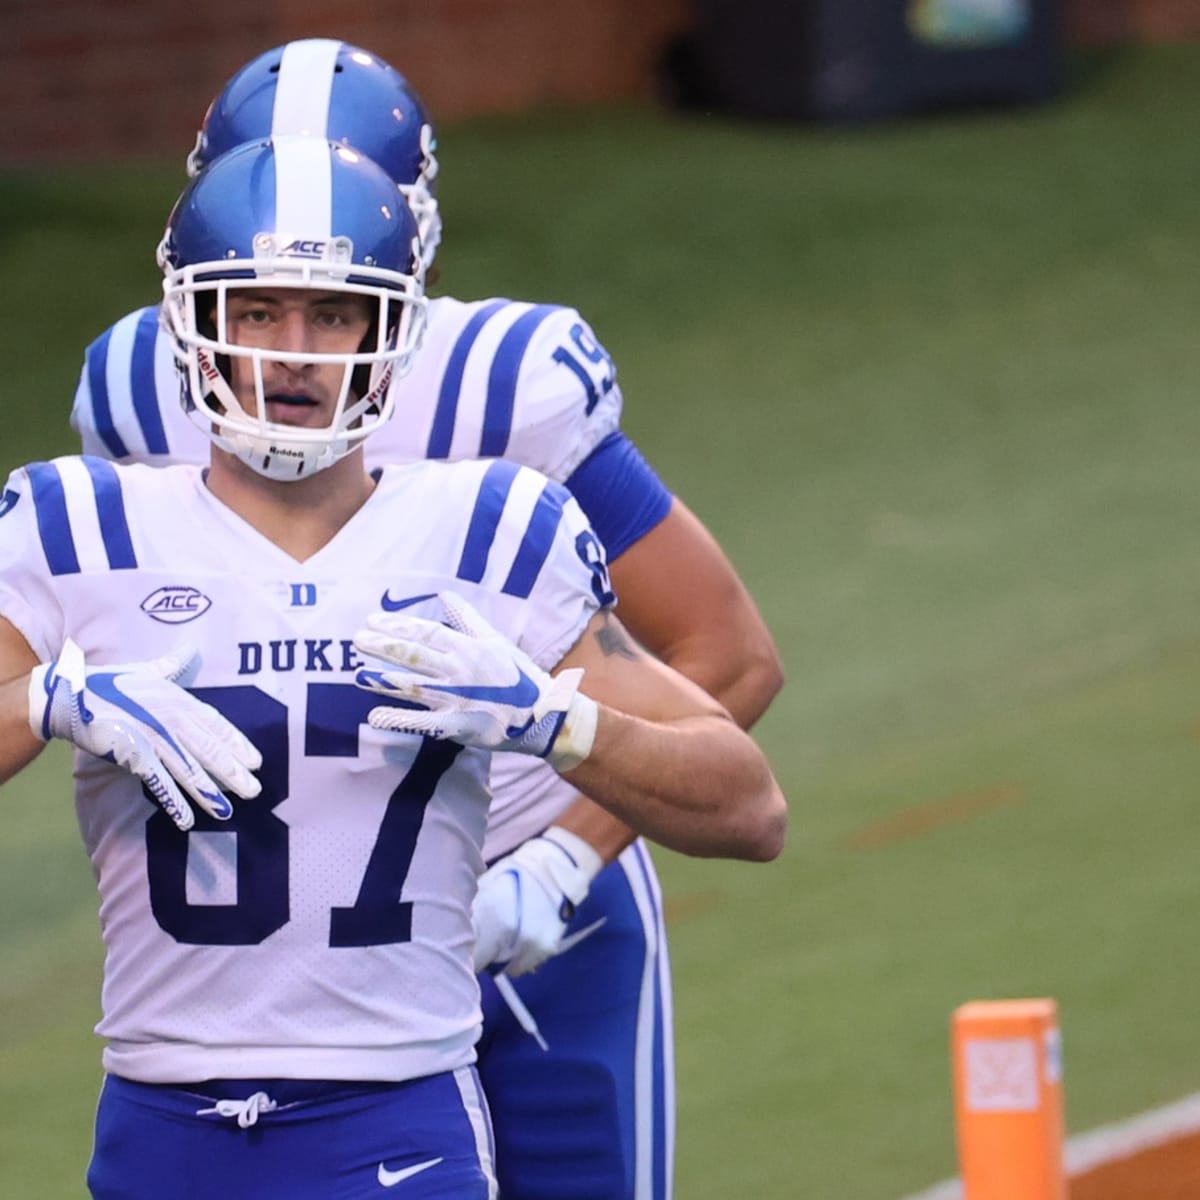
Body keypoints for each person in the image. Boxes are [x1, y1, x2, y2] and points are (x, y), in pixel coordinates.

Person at [0, 135, 786, 1200]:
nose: (293, 352)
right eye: (258, 310)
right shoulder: (74, 528)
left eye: (333, 313)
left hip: (395, 1113)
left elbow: (750, 805)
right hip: (157, 1119)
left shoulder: (493, 532)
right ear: (194, 322)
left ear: (393, 328)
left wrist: (555, 722)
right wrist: (44, 701)